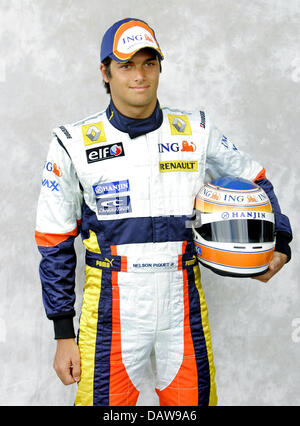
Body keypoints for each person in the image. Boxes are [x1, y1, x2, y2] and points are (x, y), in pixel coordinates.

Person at [35, 17, 292, 406]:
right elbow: (53, 242)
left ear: (159, 67)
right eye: (126, 65)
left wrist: (282, 242)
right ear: (104, 72)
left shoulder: (196, 130)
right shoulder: (72, 143)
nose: (139, 75)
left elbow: (256, 178)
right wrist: (62, 333)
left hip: (182, 298)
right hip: (110, 306)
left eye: (149, 63)